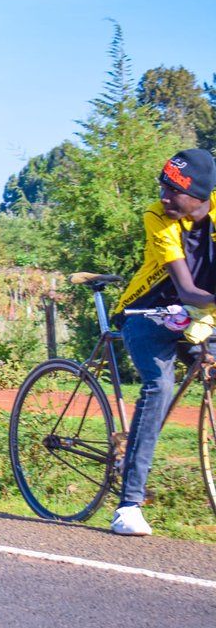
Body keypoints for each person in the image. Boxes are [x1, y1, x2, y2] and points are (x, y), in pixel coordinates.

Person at [110, 148, 216, 536]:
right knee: (159, 388)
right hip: (147, 314)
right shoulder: (157, 216)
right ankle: (129, 506)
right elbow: (186, 289)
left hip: (198, 317)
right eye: (163, 187)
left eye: (174, 191)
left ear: (201, 195)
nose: (164, 197)